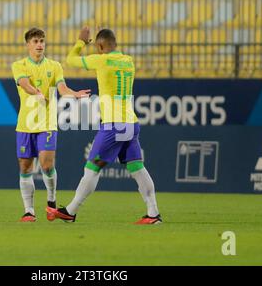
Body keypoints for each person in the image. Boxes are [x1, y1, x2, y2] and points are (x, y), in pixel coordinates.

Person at [46, 27, 162, 225]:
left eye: (97, 48)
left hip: (113, 124)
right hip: (130, 123)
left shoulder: (102, 60)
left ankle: (71, 211)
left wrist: (81, 43)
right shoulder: (128, 61)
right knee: (137, 167)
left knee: (92, 168)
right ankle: (153, 213)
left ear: (100, 46)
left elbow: (71, 60)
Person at [12, 27, 90, 222]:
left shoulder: (54, 66)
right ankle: (29, 210)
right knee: (25, 167)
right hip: (25, 124)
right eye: (35, 41)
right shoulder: (19, 65)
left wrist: (74, 94)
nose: (39, 45)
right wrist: (35, 92)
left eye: (42, 41)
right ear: (28, 45)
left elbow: (62, 88)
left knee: (47, 164)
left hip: (47, 123)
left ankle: (51, 200)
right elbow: (23, 83)